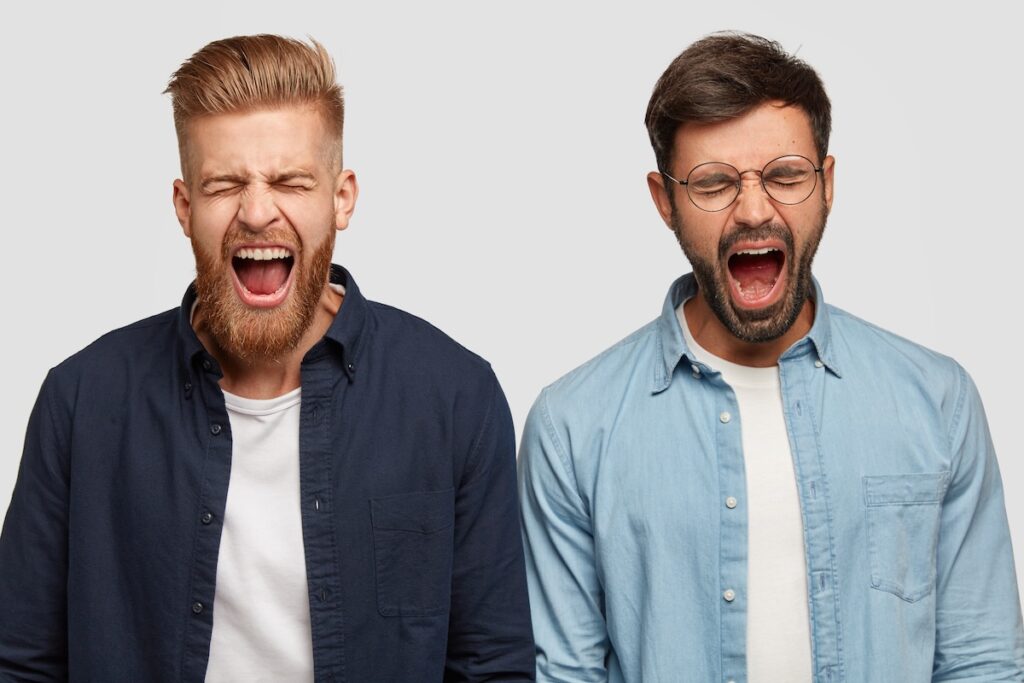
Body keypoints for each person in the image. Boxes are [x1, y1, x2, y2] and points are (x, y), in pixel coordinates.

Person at [0, 34, 534, 682]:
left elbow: (492, 666)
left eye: (289, 181)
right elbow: (20, 663)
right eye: (225, 184)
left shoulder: (455, 398)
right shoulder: (81, 401)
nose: (256, 212)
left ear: (341, 198)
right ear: (185, 207)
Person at [518, 31, 1024, 682]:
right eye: (713, 183)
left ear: (826, 184)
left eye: (786, 176)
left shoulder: (938, 400)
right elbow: (564, 673)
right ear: (665, 201)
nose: (754, 210)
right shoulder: (571, 427)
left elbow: (984, 662)